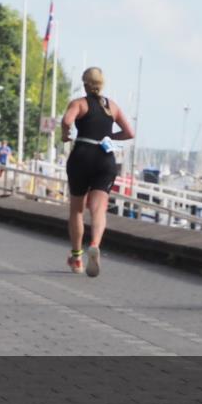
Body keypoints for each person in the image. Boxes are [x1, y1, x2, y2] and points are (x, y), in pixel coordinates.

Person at [60, 67, 134, 277]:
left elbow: (67, 121)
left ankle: (76, 258)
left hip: (82, 155)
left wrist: (66, 135)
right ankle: (95, 243)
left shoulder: (79, 103)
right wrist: (110, 137)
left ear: (85, 83)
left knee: (77, 209)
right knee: (99, 208)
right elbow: (129, 133)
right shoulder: (112, 106)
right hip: (105, 158)